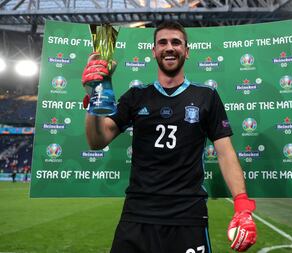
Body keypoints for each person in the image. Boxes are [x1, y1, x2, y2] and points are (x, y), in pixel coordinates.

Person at [82, 21, 256, 253]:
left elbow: (225, 153)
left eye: (176, 42)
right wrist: (95, 93)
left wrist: (242, 206)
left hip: (188, 217)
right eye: (162, 42)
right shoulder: (136, 96)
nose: (169, 47)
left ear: (187, 51)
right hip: (138, 215)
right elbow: (97, 141)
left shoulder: (207, 96)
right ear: (153, 51)